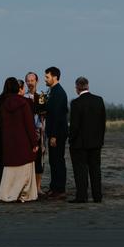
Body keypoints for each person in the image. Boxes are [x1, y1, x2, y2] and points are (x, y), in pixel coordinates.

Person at [0, 77, 39, 202]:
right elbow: (29, 124)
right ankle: (24, 195)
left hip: (9, 141)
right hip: (24, 141)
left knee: (10, 170)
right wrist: (34, 142)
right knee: (25, 170)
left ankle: (7, 194)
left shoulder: (4, 104)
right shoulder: (24, 103)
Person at [68, 76, 106, 203]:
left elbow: (74, 125)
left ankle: (82, 196)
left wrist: (71, 139)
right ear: (88, 86)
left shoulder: (75, 103)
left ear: (77, 88)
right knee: (95, 170)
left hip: (80, 144)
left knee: (81, 171)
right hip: (96, 142)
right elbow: (102, 122)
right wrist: (100, 140)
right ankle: (97, 196)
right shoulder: (99, 100)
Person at [44, 66, 68, 199]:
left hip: (57, 133)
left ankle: (60, 189)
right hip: (54, 132)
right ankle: (54, 187)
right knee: (53, 161)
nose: (45, 79)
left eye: (47, 77)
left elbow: (58, 116)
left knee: (58, 160)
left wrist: (53, 135)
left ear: (55, 77)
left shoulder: (59, 92)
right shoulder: (52, 91)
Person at [24, 72, 45, 191]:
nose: (30, 83)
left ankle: (38, 187)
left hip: (40, 134)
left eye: (32, 80)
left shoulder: (42, 97)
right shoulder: (23, 97)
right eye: (28, 81)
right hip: (27, 135)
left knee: (39, 161)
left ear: (37, 81)